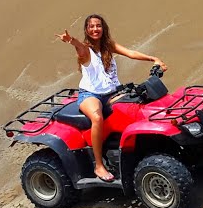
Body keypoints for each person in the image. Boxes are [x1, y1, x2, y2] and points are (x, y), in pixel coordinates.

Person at [59, 14, 167, 182]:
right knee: (97, 117)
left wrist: (153, 59)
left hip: (112, 93)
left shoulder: (108, 46)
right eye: (92, 26)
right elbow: (79, 47)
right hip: (90, 94)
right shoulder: (86, 50)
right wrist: (71, 40)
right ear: (87, 30)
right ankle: (99, 165)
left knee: (137, 103)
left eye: (98, 25)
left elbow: (131, 53)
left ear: (103, 28)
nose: (95, 29)